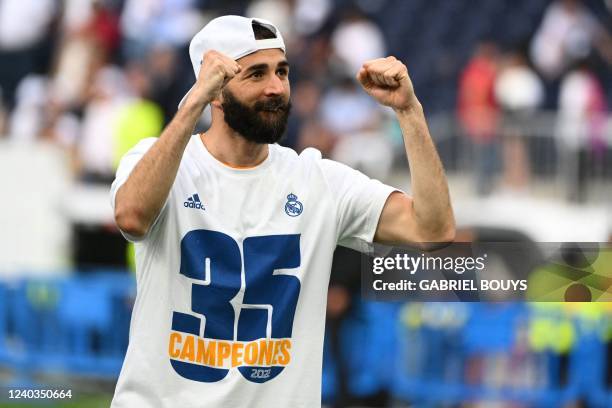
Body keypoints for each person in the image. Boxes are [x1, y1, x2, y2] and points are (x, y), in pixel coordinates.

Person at [110, 15, 454, 408]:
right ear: (216, 91)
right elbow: (132, 217)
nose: (276, 88)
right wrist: (193, 104)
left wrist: (409, 112)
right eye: (256, 74)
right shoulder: (162, 160)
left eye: (282, 71)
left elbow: (433, 230)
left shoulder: (317, 179)